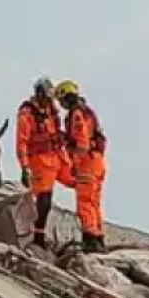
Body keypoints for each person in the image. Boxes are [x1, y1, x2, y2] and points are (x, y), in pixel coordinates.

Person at [16, 77, 72, 249]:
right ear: (39, 93)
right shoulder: (27, 113)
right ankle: (38, 237)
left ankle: (91, 232)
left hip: (58, 157)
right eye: (46, 96)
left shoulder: (51, 110)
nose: (49, 100)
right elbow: (22, 142)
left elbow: (57, 131)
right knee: (44, 199)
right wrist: (25, 168)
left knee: (81, 182)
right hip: (39, 161)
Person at [55, 79, 108, 253]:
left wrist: (75, 164)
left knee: (85, 202)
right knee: (94, 203)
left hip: (87, 162)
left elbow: (82, 142)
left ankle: (90, 240)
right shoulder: (87, 112)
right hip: (98, 160)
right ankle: (99, 237)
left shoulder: (76, 114)